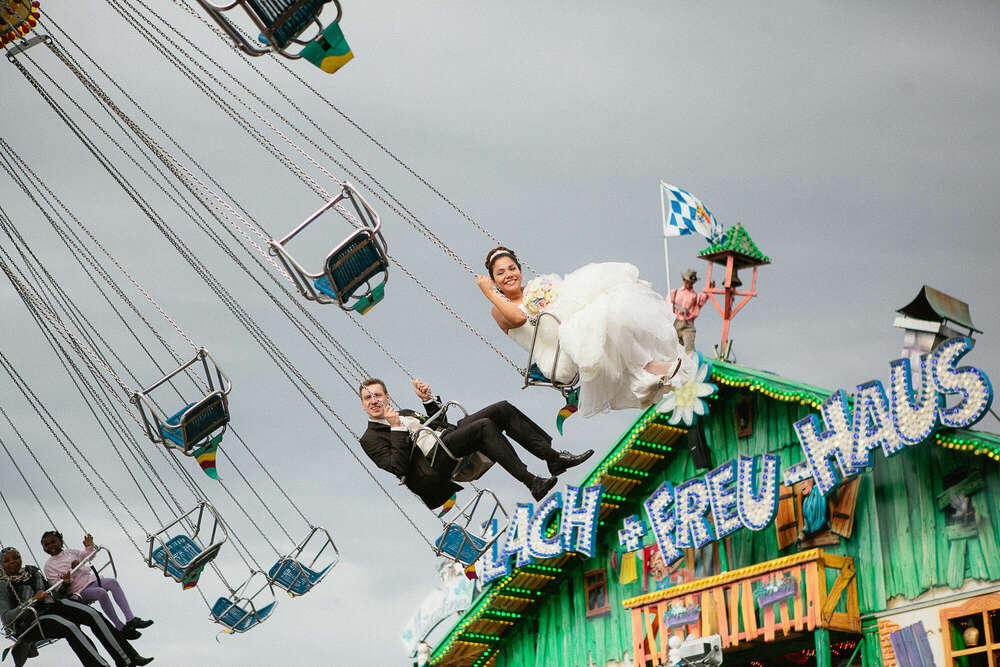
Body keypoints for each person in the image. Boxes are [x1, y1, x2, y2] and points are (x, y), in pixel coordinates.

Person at [476, 247, 695, 417]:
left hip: (569, 336)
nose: (509, 275)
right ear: (494, 281)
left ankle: (645, 373)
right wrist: (488, 291)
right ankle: (645, 372)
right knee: (594, 319)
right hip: (555, 359)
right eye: (501, 273)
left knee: (609, 310)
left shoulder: (536, 288)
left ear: (520, 270)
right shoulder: (498, 309)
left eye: (512, 268)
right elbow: (518, 317)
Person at [358, 378, 593, 509]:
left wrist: (428, 401)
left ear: (387, 397)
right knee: (483, 427)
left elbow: (440, 423)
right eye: (368, 398)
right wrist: (396, 427)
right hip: (432, 465)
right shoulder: (370, 439)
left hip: (446, 441)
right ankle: (532, 482)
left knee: (501, 409)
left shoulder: (406, 412)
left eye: (378, 395)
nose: (374, 400)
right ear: (363, 404)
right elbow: (397, 466)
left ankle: (552, 457)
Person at [0, 546, 153, 667]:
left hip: (53, 604)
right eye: (7, 561)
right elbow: (7, 618)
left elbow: (57, 593)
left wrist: (65, 583)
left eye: (16, 557)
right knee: (70, 627)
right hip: (33, 620)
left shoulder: (31, 572)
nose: (13, 561)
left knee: (93, 614)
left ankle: (127, 658)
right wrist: (30, 600)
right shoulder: (4, 585)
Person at [41, 531, 152, 638]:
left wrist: (89, 547)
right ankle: (119, 626)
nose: (51, 546)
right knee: (101, 593)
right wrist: (69, 575)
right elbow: (57, 588)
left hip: (90, 581)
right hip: (78, 591)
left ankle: (130, 619)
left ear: (60, 541)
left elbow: (87, 556)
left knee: (113, 582)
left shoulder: (70, 552)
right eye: (46, 545)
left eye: (53, 542)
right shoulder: (49, 566)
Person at [667, 268, 713, 353]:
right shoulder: (674, 292)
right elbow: (666, 306)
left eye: (691, 282)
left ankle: (690, 364)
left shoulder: (695, 296)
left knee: (689, 350)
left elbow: (704, 296)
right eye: (687, 281)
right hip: (674, 324)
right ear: (683, 280)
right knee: (671, 349)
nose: (689, 283)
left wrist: (709, 288)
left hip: (687, 326)